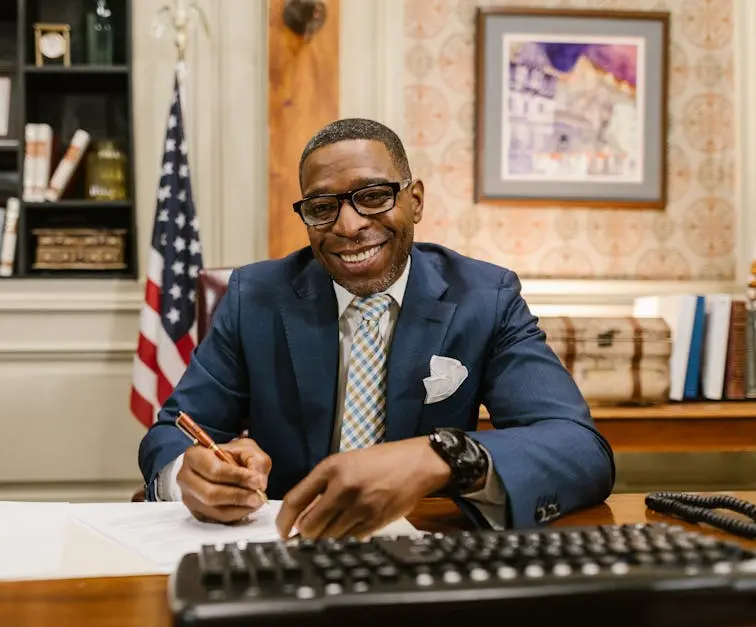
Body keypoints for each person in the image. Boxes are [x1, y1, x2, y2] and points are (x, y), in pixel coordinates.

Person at [137, 118, 615, 538]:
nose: (348, 225)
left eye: (372, 197)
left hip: (425, 546)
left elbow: (578, 446)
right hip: (283, 544)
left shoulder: (484, 298)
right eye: (323, 207)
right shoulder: (253, 297)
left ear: (416, 200)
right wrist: (187, 474)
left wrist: (440, 457)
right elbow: (172, 433)